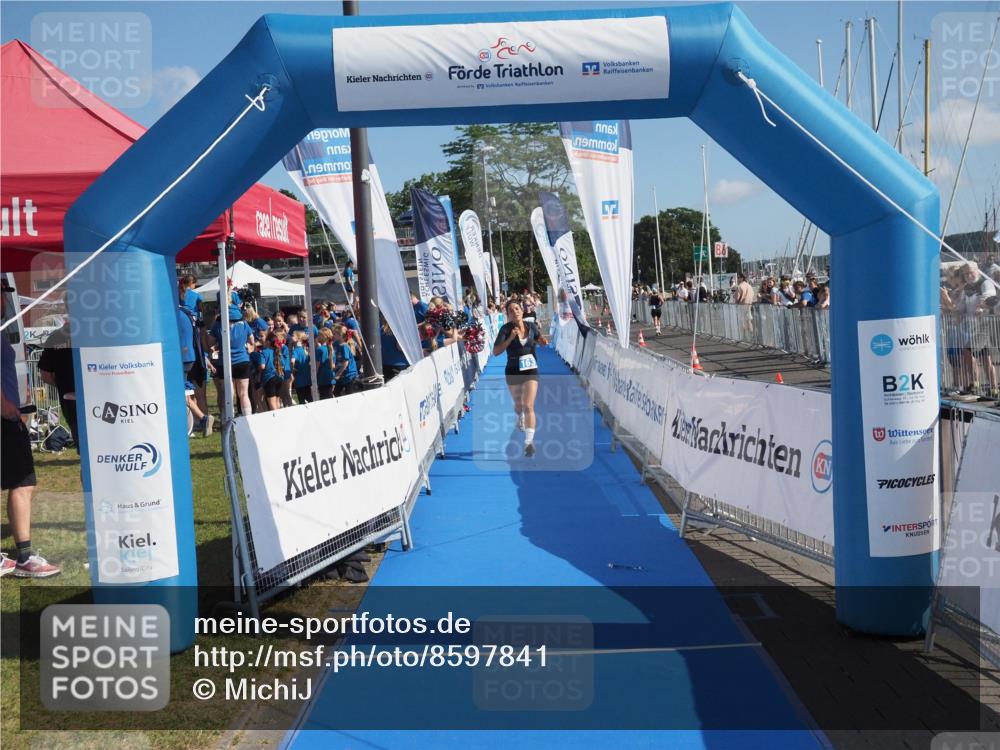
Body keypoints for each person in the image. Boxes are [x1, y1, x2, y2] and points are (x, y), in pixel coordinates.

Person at [1, 328, 60, 578]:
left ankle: (25, 556)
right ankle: (24, 557)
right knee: (23, 483)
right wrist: (4, 406)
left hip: (9, 415)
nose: (4, 297)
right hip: (5, 416)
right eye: (3, 289)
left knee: (22, 483)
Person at [492, 299, 547, 457]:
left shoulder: (531, 326)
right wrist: (510, 338)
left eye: (517, 308)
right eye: (511, 310)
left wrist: (542, 341)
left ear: (522, 311)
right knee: (519, 405)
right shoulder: (505, 329)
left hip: (530, 369)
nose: (515, 311)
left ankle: (528, 443)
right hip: (513, 370)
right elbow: (496, 352)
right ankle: (519, 416)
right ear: (508, 315)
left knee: (529, 405)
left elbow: (539, 339)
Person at [37, 319, 79, 450]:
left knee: (84, 451)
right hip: (101, 402)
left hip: (70, 402)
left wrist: (63, 385)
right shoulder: (97, 331)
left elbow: (46, 376)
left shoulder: (56, 337)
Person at [209, 307, 255, 417]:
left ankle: (227, 419)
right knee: (243, 394)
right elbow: (252, 341)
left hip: (224, 362)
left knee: (227, 393)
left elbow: (209, 344)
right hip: (242, 361)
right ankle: (247, 418)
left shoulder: (218, 324)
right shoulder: (244, 324)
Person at [258, 332, 285, 411]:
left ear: (268, 342)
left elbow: (262, 366)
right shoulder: (278, 352)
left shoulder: (264, 352)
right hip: (280, 377)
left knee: (272, 402)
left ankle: (276, 420)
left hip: (269, 378)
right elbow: (283, 365)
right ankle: (279, 417)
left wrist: (258, 368)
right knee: (277, 401)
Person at [331, 325, 359, 396]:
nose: (333, 335)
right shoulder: (335, 344)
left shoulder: (344, 346)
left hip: (349, 374)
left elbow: (345, 363)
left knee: (349, 394)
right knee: (336, 392)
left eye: (334, 334)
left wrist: (338, 374)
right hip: (342, 374)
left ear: (340, 335)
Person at [291, 333, 313, 404]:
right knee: (310, 400)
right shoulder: (305, 350)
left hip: (299, 381)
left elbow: (292, 361)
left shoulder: (296, 350)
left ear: (298, 339)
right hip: (307, 380)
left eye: (293, 335)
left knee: (302, 401)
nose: (291, 336)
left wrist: (293, 369)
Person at [315, 328, 336, 399]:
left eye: (319, 335)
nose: (317, 336)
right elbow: (333, 365)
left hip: (322, 378)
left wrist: (314, 377)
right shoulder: (332, 349)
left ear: (324, 337)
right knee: (330, 395)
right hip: (331, 377)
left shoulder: (320, 350)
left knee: (323, 398)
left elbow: (317, 366)